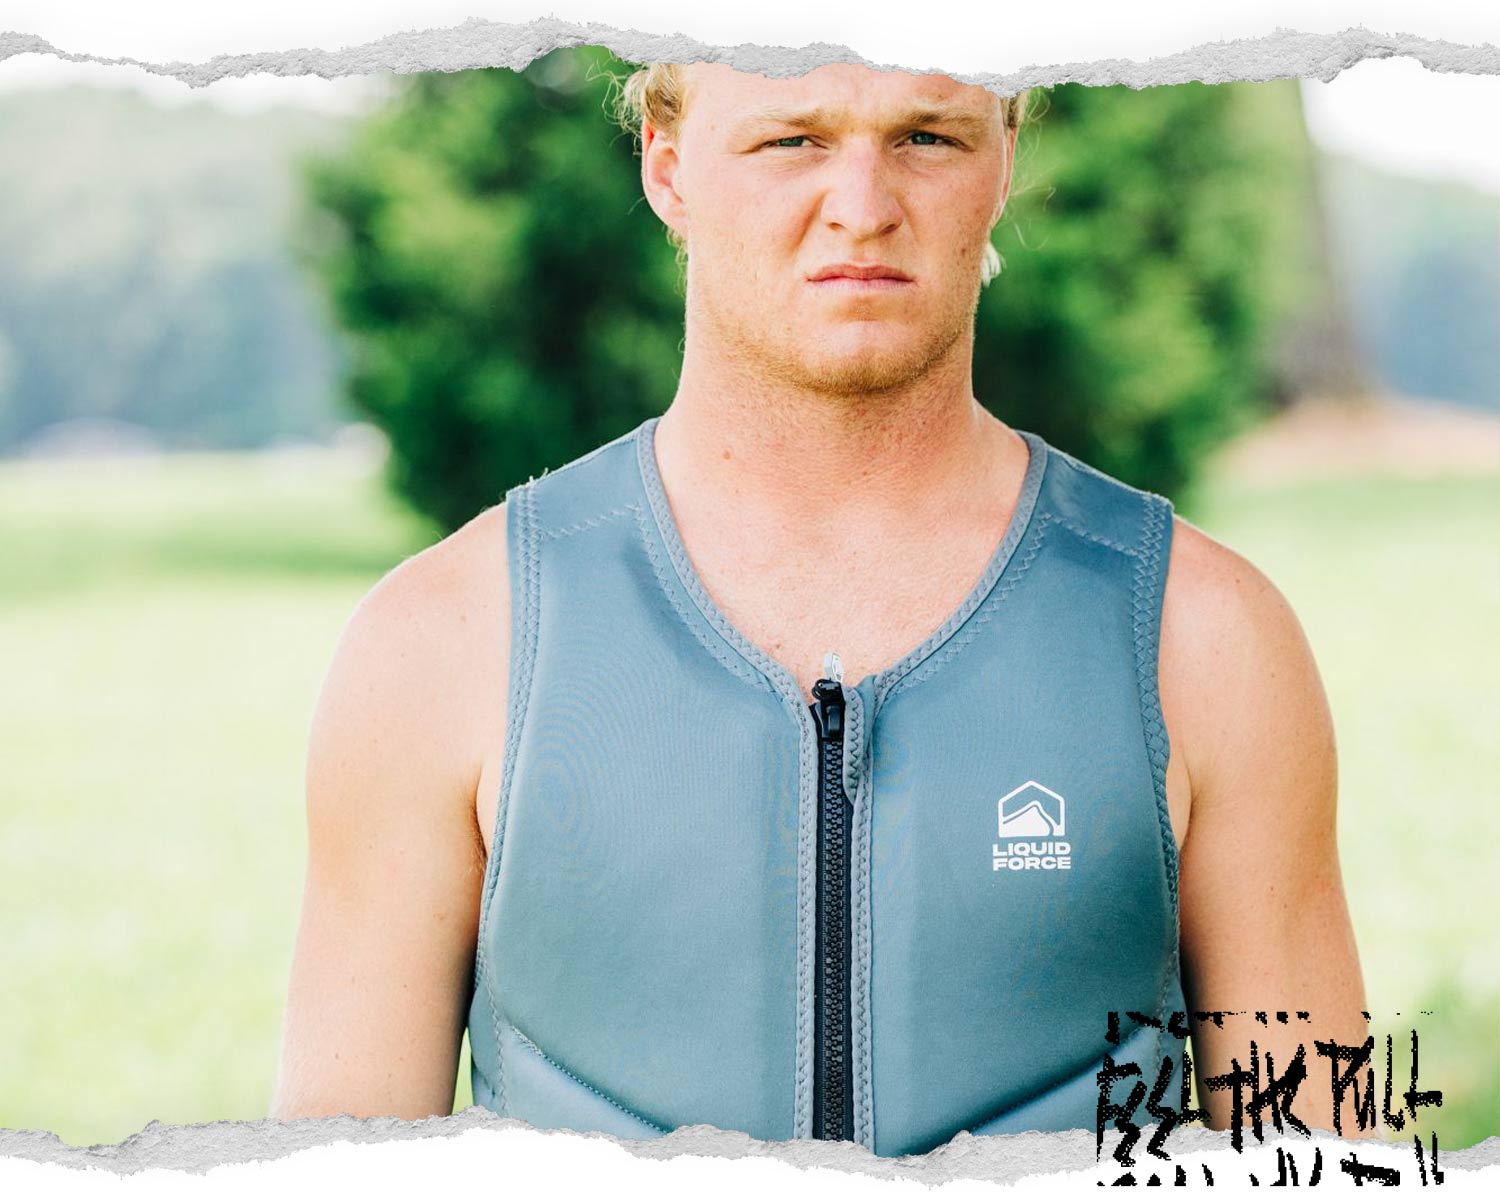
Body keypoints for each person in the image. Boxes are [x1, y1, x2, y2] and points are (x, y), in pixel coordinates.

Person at [271, 60, 1369, 1157]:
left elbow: (1321, 1163)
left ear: (1005, 158)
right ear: (667, 162)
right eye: (792, 140)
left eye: (927, 139)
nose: (863, 207)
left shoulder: (1204, 638)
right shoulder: (445, 646)